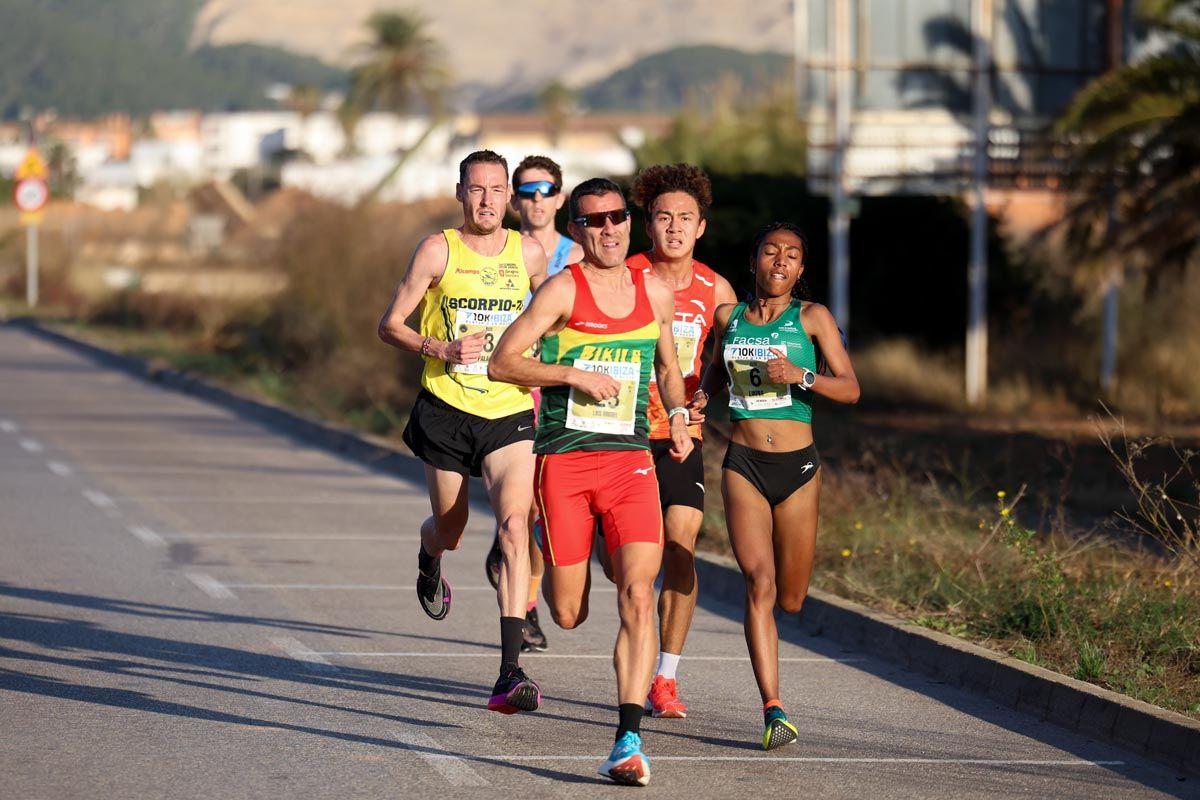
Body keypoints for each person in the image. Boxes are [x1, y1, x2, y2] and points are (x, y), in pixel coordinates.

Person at [489, 178, 695, 786]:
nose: (607, 230)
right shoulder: (561, 289)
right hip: (566, 466)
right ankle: (550, 556)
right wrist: (570, 375)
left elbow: (668, 366)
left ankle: (627, 738)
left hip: (631, 462)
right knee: (569, 610)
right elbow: (504, 361)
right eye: (593, 221)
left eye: (616, 218)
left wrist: (678, 417)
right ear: (577, 231)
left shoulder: (654, 292)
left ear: (629, 222)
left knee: (637, 594)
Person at [377, 149, 548, 715]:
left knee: (515, 528)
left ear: (510, 196)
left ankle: (508, 672)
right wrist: (440, 348)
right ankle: (430, 559)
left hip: (508, 408)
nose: (487, 200)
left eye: (497, 189)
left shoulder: (528, 252)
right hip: (447, 406)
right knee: (452, 527)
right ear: (460, 193)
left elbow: (555, 317)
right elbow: (390, 325)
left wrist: (548, 349)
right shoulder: (436, 250)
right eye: (476, 189)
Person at [697, 221, 859, 750]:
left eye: (792, 254)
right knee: (758, 583)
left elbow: (851, 389)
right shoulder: (729, 318)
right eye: (771, 251)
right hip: (743, 462)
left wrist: (801, 376)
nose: (781, 261)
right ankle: (774, 709)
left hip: (799, 470)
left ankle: (776, 689)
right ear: (755, 260)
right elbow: (716, 374)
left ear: (801, 269)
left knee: (791, 598)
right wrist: (701, 397)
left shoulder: (812, 319)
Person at [626, 163, 736, 718]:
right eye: (663, 217)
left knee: (681, 543)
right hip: (619, 435)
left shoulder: (715, 288)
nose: (673, 227)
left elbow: (739, 352)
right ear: (648, 225)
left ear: (701, 228)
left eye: (684, 218)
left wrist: (709, 396)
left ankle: (664, 677)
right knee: (627, 568)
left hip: (678, 435)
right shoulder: (625, 274)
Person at [483, 155, 584, 653]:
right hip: (509, 386)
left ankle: (512, 565)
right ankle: (523, 608)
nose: (536, 198)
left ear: (561, 198)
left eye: (546, 189)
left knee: (540, 505)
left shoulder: (581, 254)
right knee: (523, 510)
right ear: (513, 200)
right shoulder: (498, 251)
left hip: (563, 388)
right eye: (526, 190)